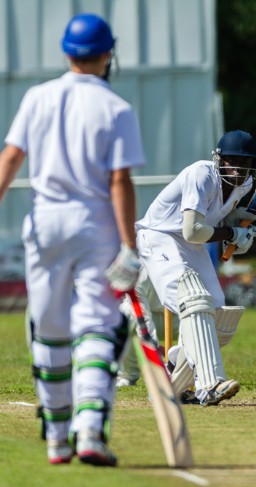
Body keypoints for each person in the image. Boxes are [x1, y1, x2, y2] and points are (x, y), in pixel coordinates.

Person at [0, 13, 145, 466]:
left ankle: (57, 439)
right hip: (94, 225)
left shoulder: (37, 96)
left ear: (67, 52)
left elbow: (9, 160)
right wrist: (129, 246)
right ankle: (89, 432)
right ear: (107, 55)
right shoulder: (116, 108)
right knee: (98, 327)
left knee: (50, 330)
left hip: (44, 224)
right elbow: (120, 181)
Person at [135, 129, 256, 406]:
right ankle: (210, 384)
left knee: (218, 312)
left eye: (245, 163)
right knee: (192, 298)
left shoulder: (244, 186)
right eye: (231, 161)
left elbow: (215, 216)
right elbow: (193, 230)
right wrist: (231, 235)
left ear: (253, 165)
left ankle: (174, 381)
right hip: (160, 236)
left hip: (189, 243)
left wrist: (240, 226)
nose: (238, 169)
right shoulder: (201, 175)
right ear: (219, 160)